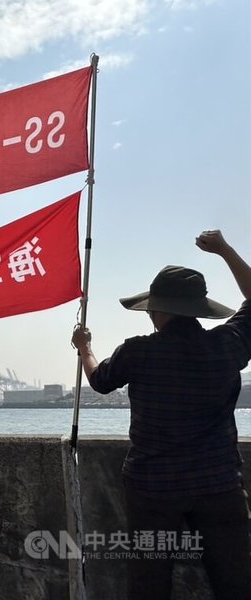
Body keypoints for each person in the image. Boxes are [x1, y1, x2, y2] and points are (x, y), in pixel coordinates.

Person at [71, 230, 251, 600]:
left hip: (153, 488)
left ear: (161, 310)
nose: (150, 311)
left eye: (153, 306)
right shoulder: (228, 344)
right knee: (235, 582)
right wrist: (224, 250)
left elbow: (100, 380)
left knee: (148, 584)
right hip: (218, 484)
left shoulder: (137, 352)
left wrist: (84, 347)